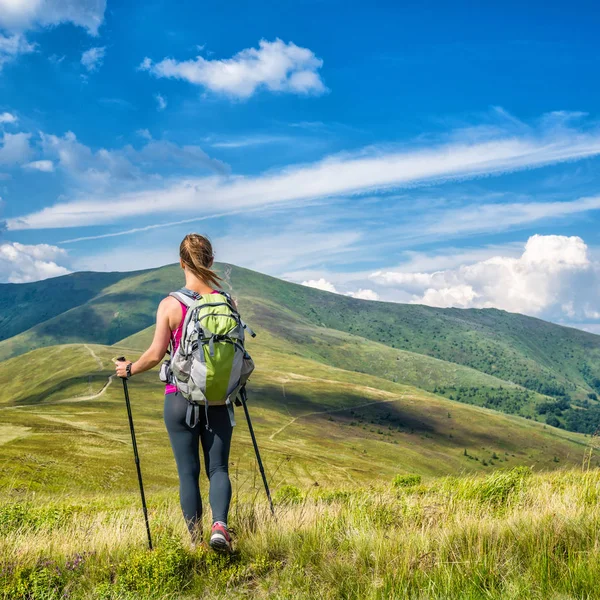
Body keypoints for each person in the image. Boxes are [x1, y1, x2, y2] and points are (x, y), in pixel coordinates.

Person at [115, 233, 234, 553]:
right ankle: (219, 526)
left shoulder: (170, 304)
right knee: (218, 469)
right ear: (210, 260)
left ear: (181, 263)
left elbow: (155, 355)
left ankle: (195, 543)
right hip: (219, 399)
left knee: (188, 473)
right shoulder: (227, 303)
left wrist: (129, 369)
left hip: (179, 398)